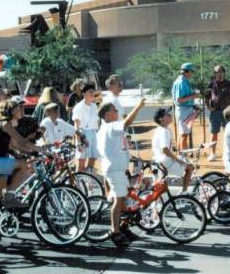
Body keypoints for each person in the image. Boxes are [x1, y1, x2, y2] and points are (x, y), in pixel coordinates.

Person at [0, 99, 48, 209]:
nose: (20, 110)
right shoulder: (5, 123)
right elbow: (22, 141)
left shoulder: (5, 125)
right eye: (17, 108)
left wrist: (30, 153)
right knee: (25, 165)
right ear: (11, 111)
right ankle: (9, 197)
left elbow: (14, 145)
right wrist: (42, 150)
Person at [97, 98, 146, 246]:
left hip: (119, 169)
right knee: (118, 201)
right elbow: (126, 123)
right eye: (114, 110)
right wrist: (138, 107)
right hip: (114, 170)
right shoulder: (109, 127)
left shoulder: (109, 127)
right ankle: (115, 232)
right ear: (106, 115)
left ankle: (123, 227)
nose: (117, 112)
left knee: (123, 201)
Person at [151, 108, 194, 192]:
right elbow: (165, 150)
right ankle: (184, 193)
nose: (170, 115)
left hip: (159, 160)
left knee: (161, 184)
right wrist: (179, 160)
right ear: (161, 119)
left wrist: (176, 150)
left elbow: (166, 147)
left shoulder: (161, 129)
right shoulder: (164, 131)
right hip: (166, 161)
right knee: (190, 167)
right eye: (167, 114)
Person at [205, 65, 230, 161]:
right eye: (217, 72)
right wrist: (208, 107)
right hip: (215, 112)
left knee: (229, 133)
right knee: (213, 133)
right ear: (215, 74)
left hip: (227, 113)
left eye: (221, 72)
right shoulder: (211, 85)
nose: (219, 74)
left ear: (224, 73)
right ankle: (212, 154)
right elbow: (206, 97)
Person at [72, 84, 101, 173]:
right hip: (83, 134)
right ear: (84, 94)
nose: (92, 93)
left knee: (93, 158)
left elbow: (97, 123)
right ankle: (77, 183)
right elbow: (76, 125)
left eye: (93, 91)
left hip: (93, 134)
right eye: (90, 92)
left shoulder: (94, 106)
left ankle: (89, 178)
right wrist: (80, 141)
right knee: (81, 161)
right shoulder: (78, 107)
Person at [172, 63, 200, 152]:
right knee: (184, 134)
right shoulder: (181, 82)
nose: (192, 73)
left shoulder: (183, 80)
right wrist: (193, 96)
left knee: (182, 134)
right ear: (187, 71)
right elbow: (179, 99)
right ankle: (182, 157)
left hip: (185, 109)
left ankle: (180, 156)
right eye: (191, 71)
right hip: (183, 110)